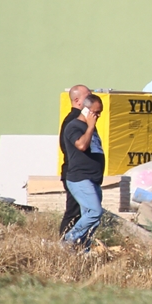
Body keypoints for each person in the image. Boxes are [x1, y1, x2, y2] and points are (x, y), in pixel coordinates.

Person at [61, 94, 107, 251]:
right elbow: (81, 145)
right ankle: (69, 239)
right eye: (96, 112)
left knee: (93, 219)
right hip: (80, 178)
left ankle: (82, 251)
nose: (98, 116)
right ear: (86, 111)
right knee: (95, 212)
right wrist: (90, 127)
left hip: (93, 179)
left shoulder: (91, 129)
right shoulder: (74, 126)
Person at [58, 84, 91, 236]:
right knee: (73, 211)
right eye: (87, 97)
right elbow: (71, 148)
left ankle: (76, 243)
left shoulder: (84, 121)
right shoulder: (73, 121)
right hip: (75, 173)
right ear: (77, 100)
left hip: (82, 174)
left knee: (81, 212)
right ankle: (64, 242)